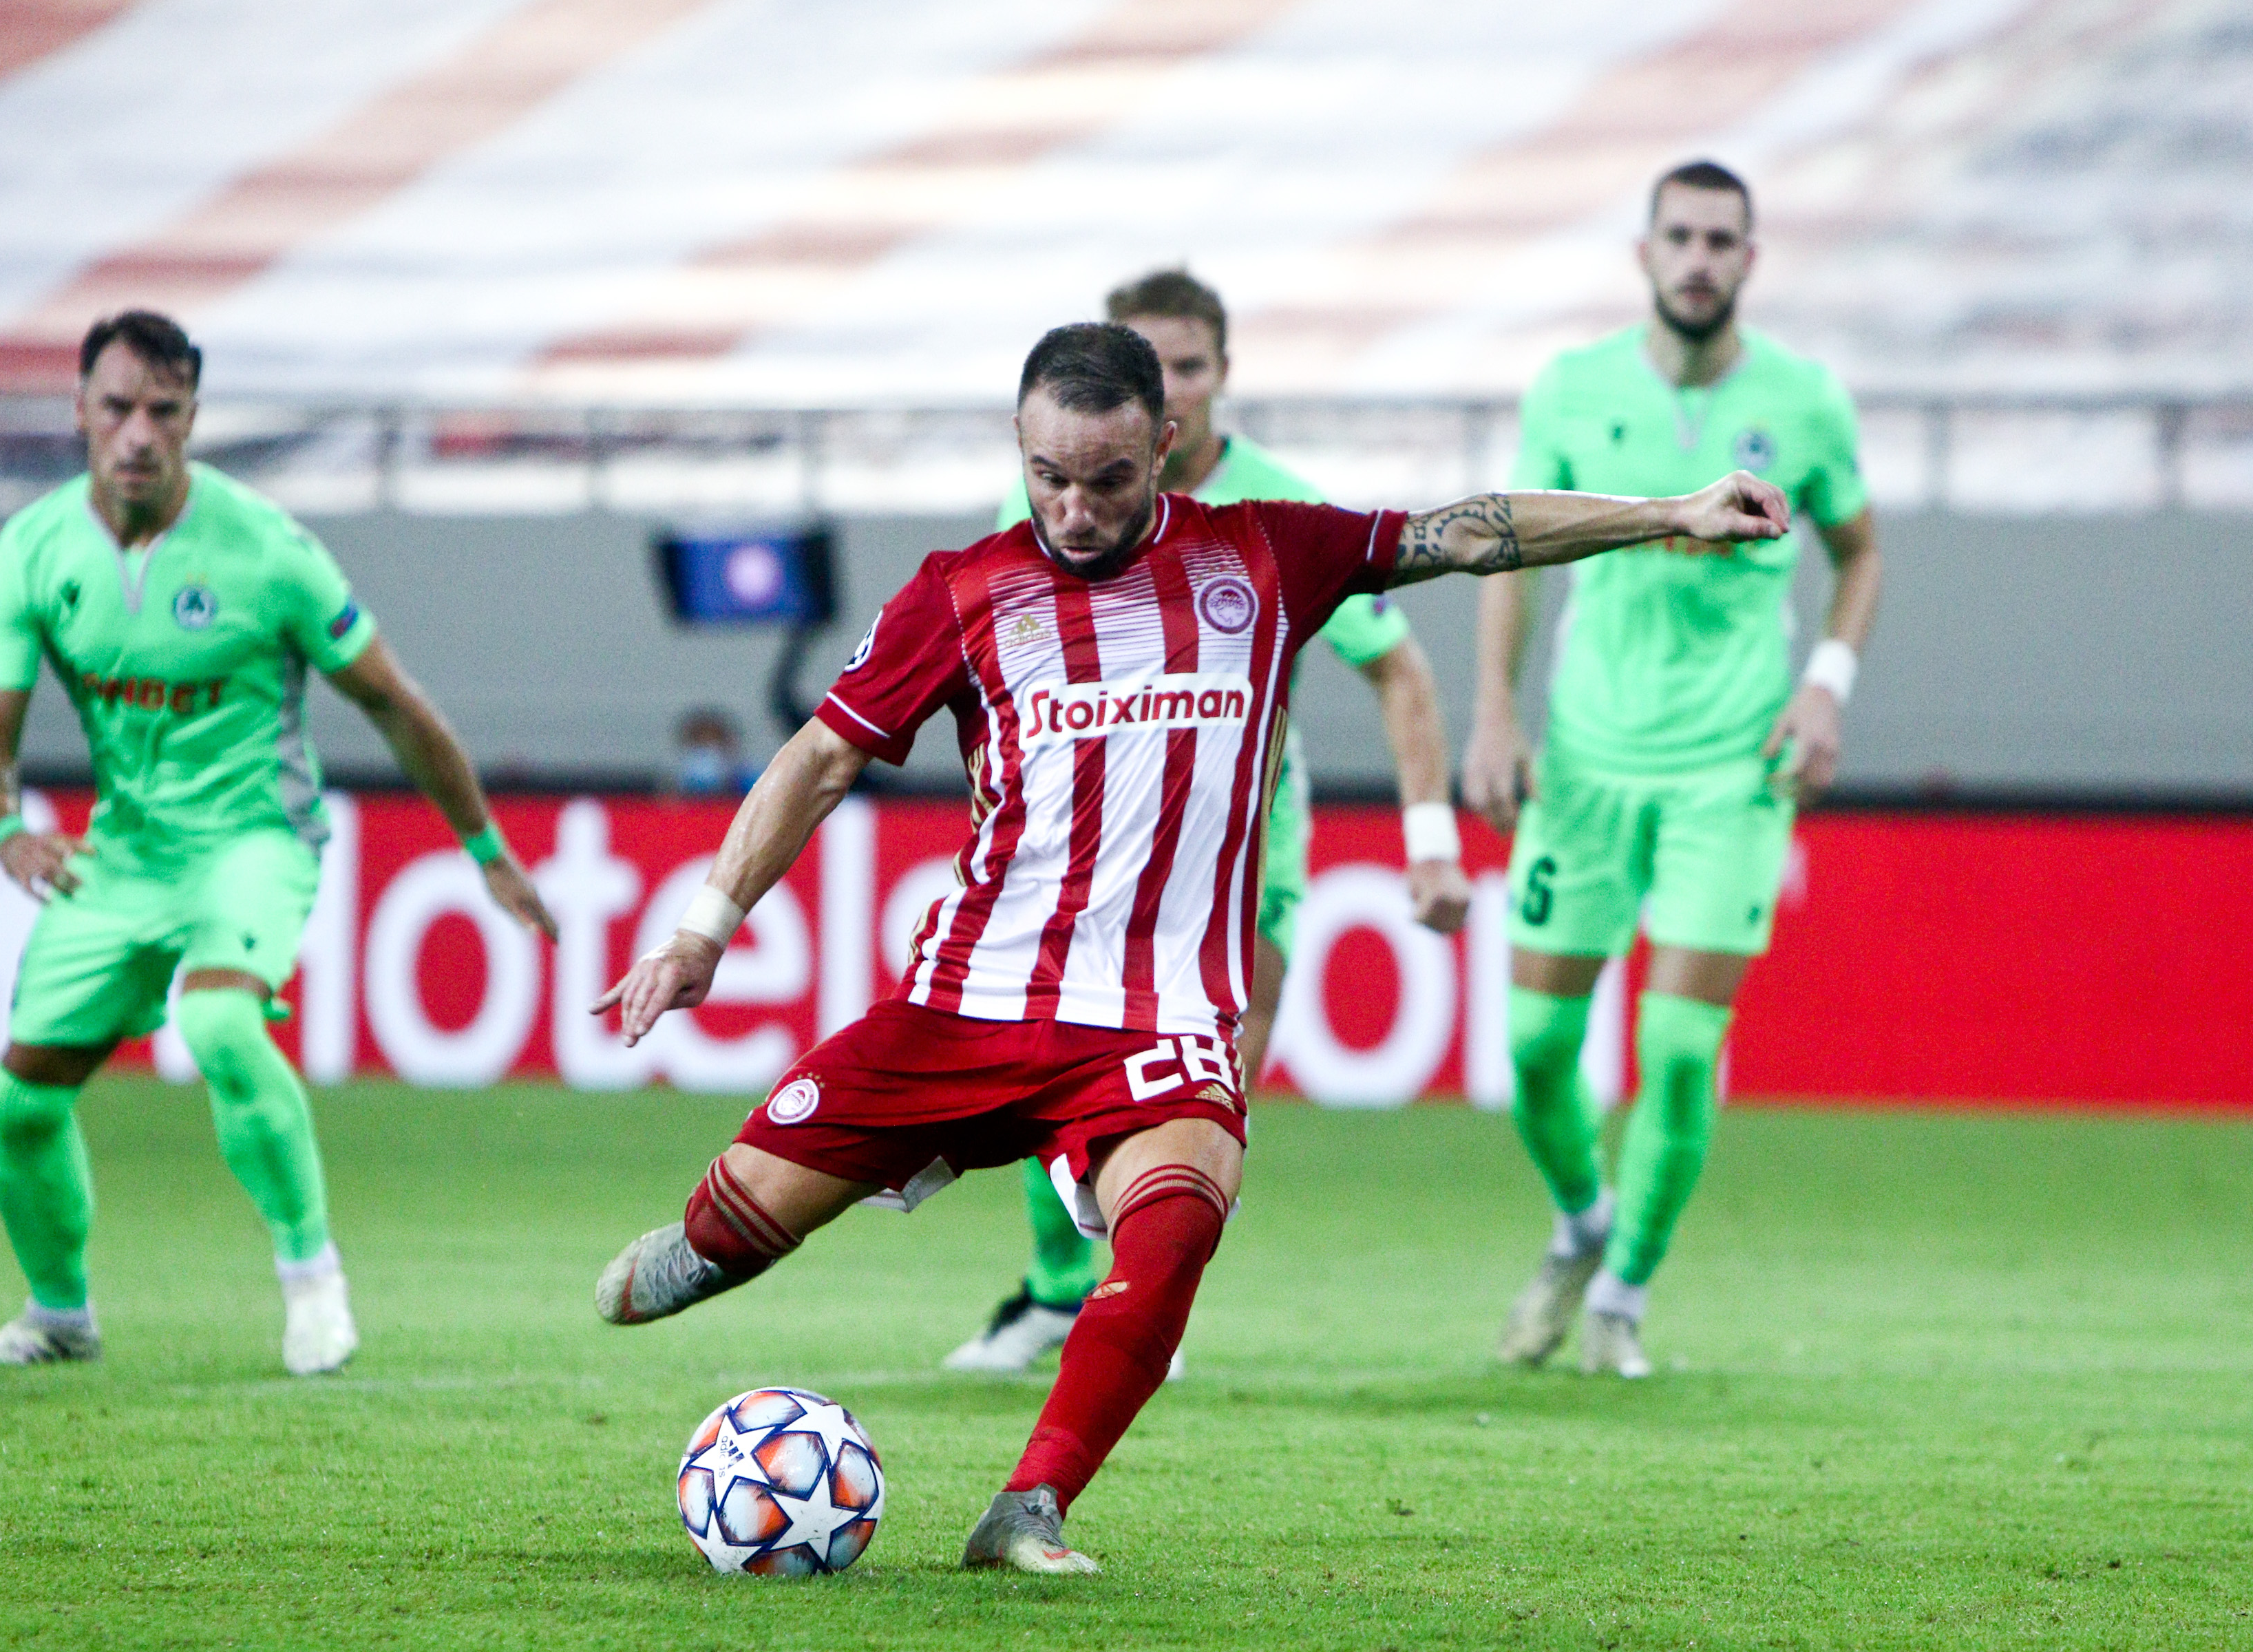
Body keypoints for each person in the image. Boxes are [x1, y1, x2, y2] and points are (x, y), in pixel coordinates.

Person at [589, 320, 1788, 1573]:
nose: (1076, 509)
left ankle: (1028, 1508)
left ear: (1165, 445)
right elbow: (821, 759)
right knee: (713, 1249)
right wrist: (702, 930)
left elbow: (1473, 531)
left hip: (1158, 1020)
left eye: (1109, 478)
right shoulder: (961, 591)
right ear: (1020, 446)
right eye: (1050, 476)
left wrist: (1670, 513)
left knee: (1175, 1225)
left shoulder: (1264, 552)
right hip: (965, 1002)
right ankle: (701, 1251)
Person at [0, 310, 557, 1375]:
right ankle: (59, 1316)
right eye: (118, 408)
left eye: (164, 410)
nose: (139, 434)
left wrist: (487, 850)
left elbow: (395, 703)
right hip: (124, 856)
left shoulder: (268, 551)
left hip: (254, 840)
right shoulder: (31, 554)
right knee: (22, 1097)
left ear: (193, 416)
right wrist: (7, 832)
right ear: (80, 411)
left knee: (222, 1022)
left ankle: (313, 1281)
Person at [944, 268, 1469, 1376]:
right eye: (1150, 362)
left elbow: (1398, 665)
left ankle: (1141, 1303)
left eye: (1187, 365)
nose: (1169, 384)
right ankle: (1055, 1292)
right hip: (1084, 849)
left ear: (1221, 375)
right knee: (1044, 1074)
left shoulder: (1277, 510)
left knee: (1205, 1085)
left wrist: (1430, 842)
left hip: (1240, 853)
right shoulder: (1040, 502)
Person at [1464, 160, 1883, 1380]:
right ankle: (1582, 1224)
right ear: (1645, 254)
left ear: (1750, 259)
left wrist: (1826, 684)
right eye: (1681, 237)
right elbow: (1511, 551)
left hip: (1731, 768)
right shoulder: (1572, 388)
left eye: (1721, 240)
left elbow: (1860, 551)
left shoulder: (1804, 400)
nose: (1700, 259)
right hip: (1588, 759)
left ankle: (1623, 1297)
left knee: (1684, 1050)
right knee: (1537, 1045)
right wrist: (1493, 712)